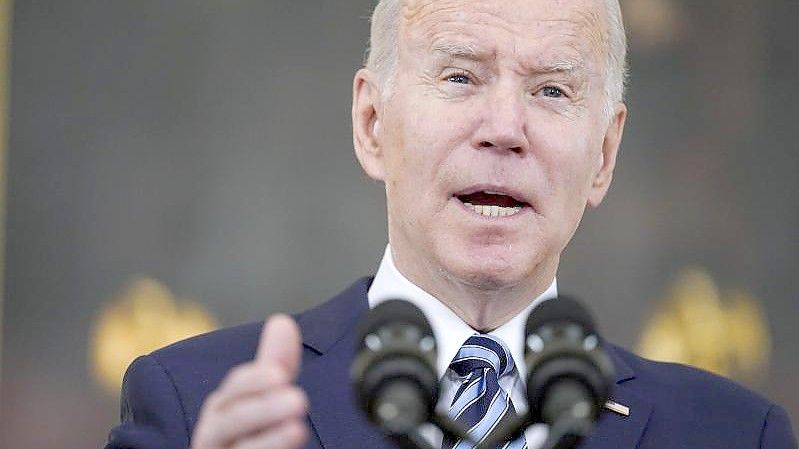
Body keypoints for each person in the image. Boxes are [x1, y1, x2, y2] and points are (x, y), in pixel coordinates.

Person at [105, 0, 797, 448]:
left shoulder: (733, 433)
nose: (504, 129)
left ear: (604, 155)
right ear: (372, 124)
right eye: (460, 77)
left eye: (550, 89)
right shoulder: (190, 404)